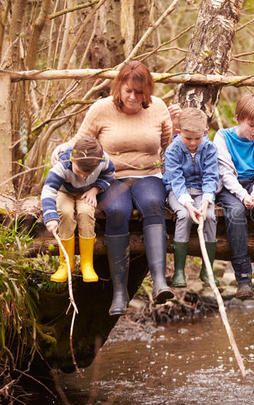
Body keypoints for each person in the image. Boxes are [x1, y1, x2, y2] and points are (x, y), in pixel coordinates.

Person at [55, 61, 174, 315]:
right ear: (119, 87)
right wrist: (63, 154)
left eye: (139, 92)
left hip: (147, 175)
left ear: (147, 92)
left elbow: (167, 144)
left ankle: (160, 281)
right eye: (128, 90)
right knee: (118, 210)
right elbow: (82, 143)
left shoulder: (159, 108)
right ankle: (120, 293)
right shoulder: (101, 109)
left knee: (153, 203)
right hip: (109, 178)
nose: (133, 97)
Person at [214, 93, 254, 299]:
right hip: (231, 185)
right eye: (251, 125)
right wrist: (243, 196)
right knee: (235, 211)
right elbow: (225, 173)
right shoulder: (222, 137)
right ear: (237, 118)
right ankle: (243, 277)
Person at [42, 136, 115, 283]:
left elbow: (110, 175)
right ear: (72, 158)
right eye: (78, 171)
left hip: (86, 192)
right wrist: (50, 216)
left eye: (86, 174)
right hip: (64, 192)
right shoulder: (62, 164)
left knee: (86, 212)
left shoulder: (102, 160)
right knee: (65, 212)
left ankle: (86, 264)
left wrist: (95, 189)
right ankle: (66, 264)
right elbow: (48, 190)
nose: (81, 176)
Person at [163, 107, 219, 288]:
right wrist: (187, 204)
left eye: (197, 138)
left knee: (209, 216)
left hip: (203, 192)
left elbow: (211, 176)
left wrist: (205, 202)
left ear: (205, 132)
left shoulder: (209, 148)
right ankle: (179, 271)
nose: (193, 143)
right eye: (188, 138)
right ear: (179, 132)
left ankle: (207, 269)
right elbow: (176, 179)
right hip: (178, 192)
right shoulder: (173, 149)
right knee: (184, 216)